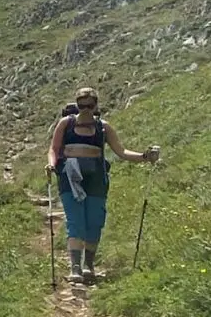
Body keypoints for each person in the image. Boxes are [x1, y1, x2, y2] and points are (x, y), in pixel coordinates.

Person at [46, 87, 159, 284]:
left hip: (97, 178)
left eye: (90, 105)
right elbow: (54, 149)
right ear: (77, 105)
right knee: (76, 221)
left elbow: (121, 151)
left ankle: (88, 265)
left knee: (95, 221)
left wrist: (144, 157)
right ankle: (75, 268)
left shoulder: (103, 128)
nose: (86, 109)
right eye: (82, 106)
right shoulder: (66, 123)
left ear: (96, 105)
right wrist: (51, 164)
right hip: (70, 177)